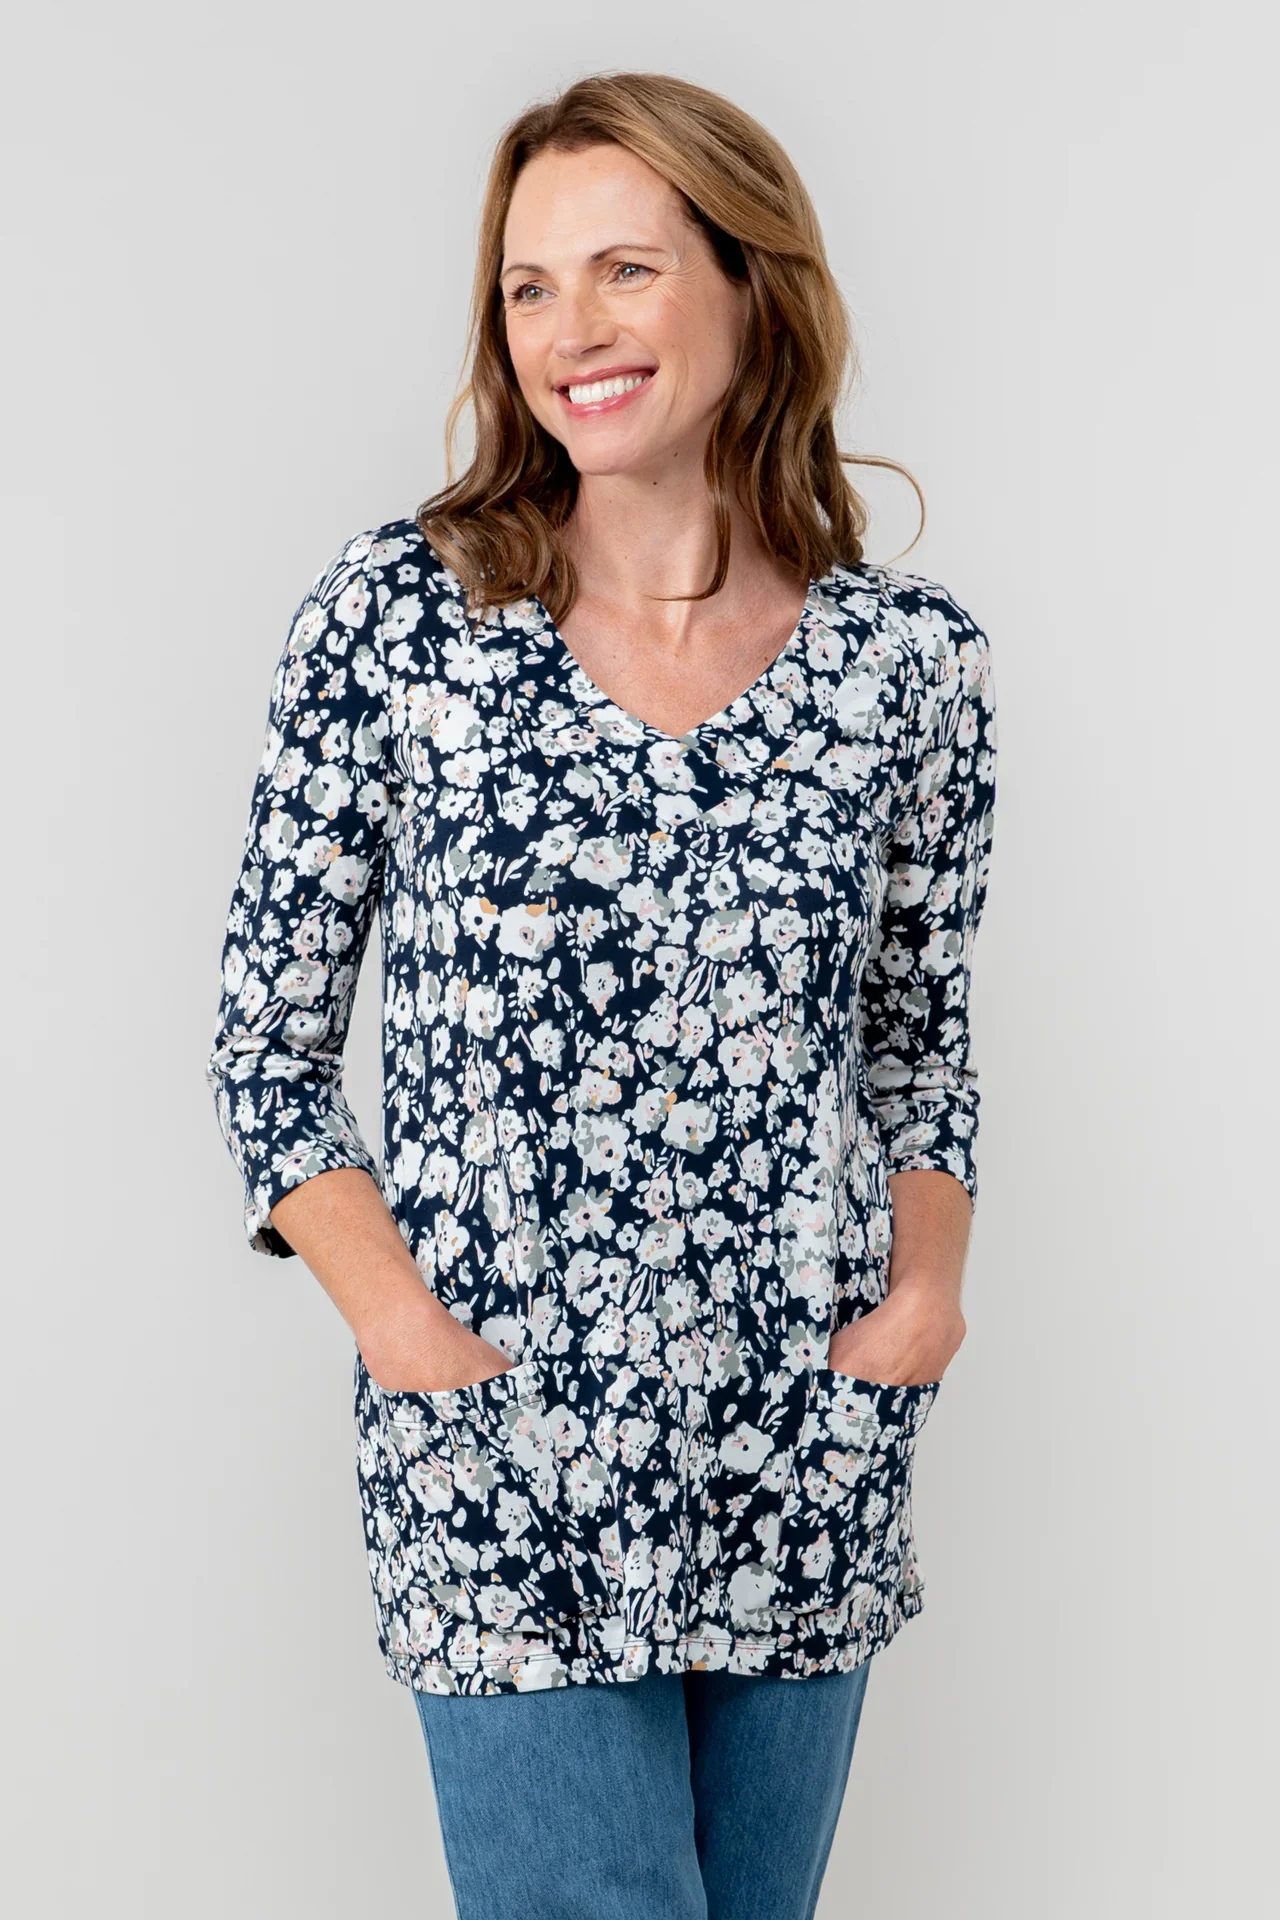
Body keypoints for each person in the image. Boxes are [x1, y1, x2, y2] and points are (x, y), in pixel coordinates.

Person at [205, 69, 997, 1920]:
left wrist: (921, 1306)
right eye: (528, 287)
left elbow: (920, 1044)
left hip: (804, 1449)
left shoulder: (909, 666)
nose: (572, 331)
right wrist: (409, 1335)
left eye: (625, 269)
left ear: (748, 280)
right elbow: (268, 1045)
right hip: (505, 1461)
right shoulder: (401, 621)